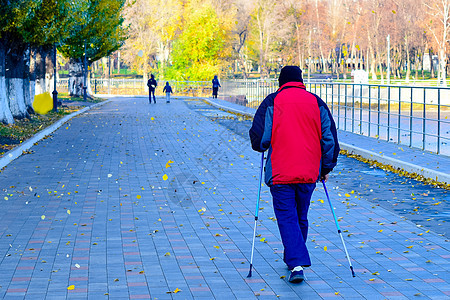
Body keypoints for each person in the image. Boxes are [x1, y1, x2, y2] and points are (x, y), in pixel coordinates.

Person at [249, 66, 339, 283]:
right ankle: (293, 256)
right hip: (308, 172)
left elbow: (259, 138)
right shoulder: (316, 102)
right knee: (301, 215)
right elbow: (329, 140)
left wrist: (266, 143)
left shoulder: (272, 101)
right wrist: (326, 168)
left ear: (280, 81)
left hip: (280, 172)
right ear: (300, 81)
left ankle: (296, 263)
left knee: (287, 217)